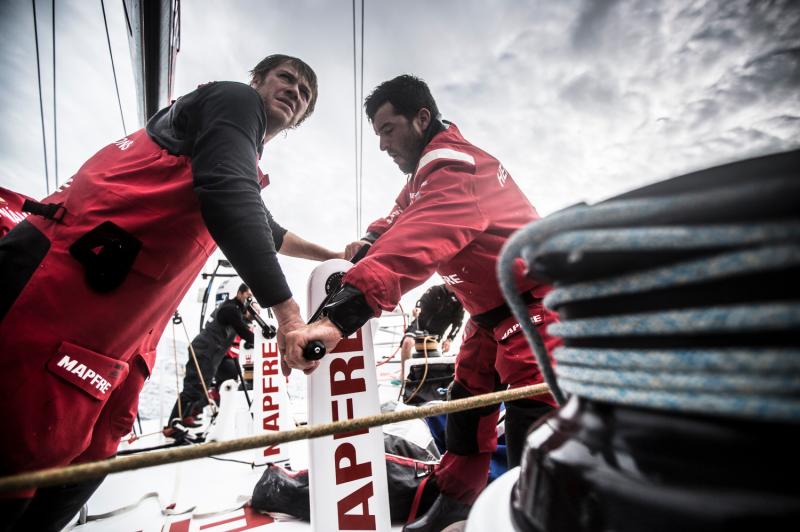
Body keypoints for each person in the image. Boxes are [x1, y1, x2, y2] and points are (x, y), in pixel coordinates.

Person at [0, 54, 339, 531]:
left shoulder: (227, 151)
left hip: (120, 338)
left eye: (305, 94)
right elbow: (227, 193)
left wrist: (338, 253)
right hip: (62, 294)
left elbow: (267, 228)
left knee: (91, 456)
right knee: (21, 457)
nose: (295, 91)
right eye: (287, 78)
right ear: (257, 80)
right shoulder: (234, 100)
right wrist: (288, 315)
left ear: (302, 118)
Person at [283, 75, 560, 532]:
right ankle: (453, 505)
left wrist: (336, 320)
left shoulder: (456, 170)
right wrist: (367, 243)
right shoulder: (426, 175)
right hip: (490, 316)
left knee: (538, 429)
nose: (382, 145)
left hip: (537, 311)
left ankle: (531, 518)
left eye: (388, 130)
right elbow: (396, 220)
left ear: (421, 118)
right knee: (466, 408)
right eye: (377, 134)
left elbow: (415, 243)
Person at [165, 283, 255, 434]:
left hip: (212, 353)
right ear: (240, 293)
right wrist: (268, 341)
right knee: (194, 385)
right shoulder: (231, 309)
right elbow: (244, 332)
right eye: (249, 296)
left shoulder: (236, 310)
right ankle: (172, 426)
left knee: (202, 386)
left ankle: (185, 418)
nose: (250, 299)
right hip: (204, 350)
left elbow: (244, 324)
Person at [400, 283, 463, 378]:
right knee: (407, 343)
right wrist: (417, 309)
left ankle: (420, 377)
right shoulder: (435, 290)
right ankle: (404, 376)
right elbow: (420, 303)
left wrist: (449, 339)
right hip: (419, 324)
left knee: (430, 357)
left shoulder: (460, 299)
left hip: (435, 333)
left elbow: (458, 323)